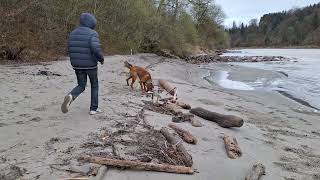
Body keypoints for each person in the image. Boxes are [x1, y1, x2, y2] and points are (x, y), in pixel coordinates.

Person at [61, 13, 104, 115]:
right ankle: (93, 108)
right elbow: (96, 49)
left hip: (76, 65)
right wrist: (101, 59)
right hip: (90, 65)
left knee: (81, 85)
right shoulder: (93, 33)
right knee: (94, 85)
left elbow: (70, 49)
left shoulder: (73, 33)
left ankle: (71, 95)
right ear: (92, 23)